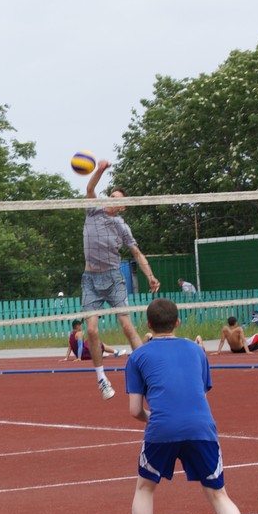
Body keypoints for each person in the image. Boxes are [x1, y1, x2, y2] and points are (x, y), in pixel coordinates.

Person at [120, 298, 258, 514]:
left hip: (161, 429)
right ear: (178, 323)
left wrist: (158, 418)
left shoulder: (137, 357)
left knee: (145, 489)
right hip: (201, 428)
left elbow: (135, 411)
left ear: (148, 325)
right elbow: (197, 394)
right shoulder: (197, 352)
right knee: (219, 494)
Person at [81, 159, 160, 400]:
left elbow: (136, 252)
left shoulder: (122, 227)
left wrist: (150, 275)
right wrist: (100, 169)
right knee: (92, 331)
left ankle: (148, 373)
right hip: (90, 280)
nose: (114, 199)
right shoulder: (93, 209)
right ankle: (101, 378)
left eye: (119, 199)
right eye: (112, 195)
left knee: (127, 326)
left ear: (123, 207)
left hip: (114, 278)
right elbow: (90, 189)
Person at [60, 319, 126, 361]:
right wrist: (79, 358)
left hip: (80, 354)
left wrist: (66, 358)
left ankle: (101, 353)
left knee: (88, 342)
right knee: (100, 344)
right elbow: (80, 346)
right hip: (84, 355)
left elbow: (69, 347)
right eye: (81, 326)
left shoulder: (70, 334)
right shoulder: (79, 334)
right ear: (77, 326)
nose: (81, 327)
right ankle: (115, 352)